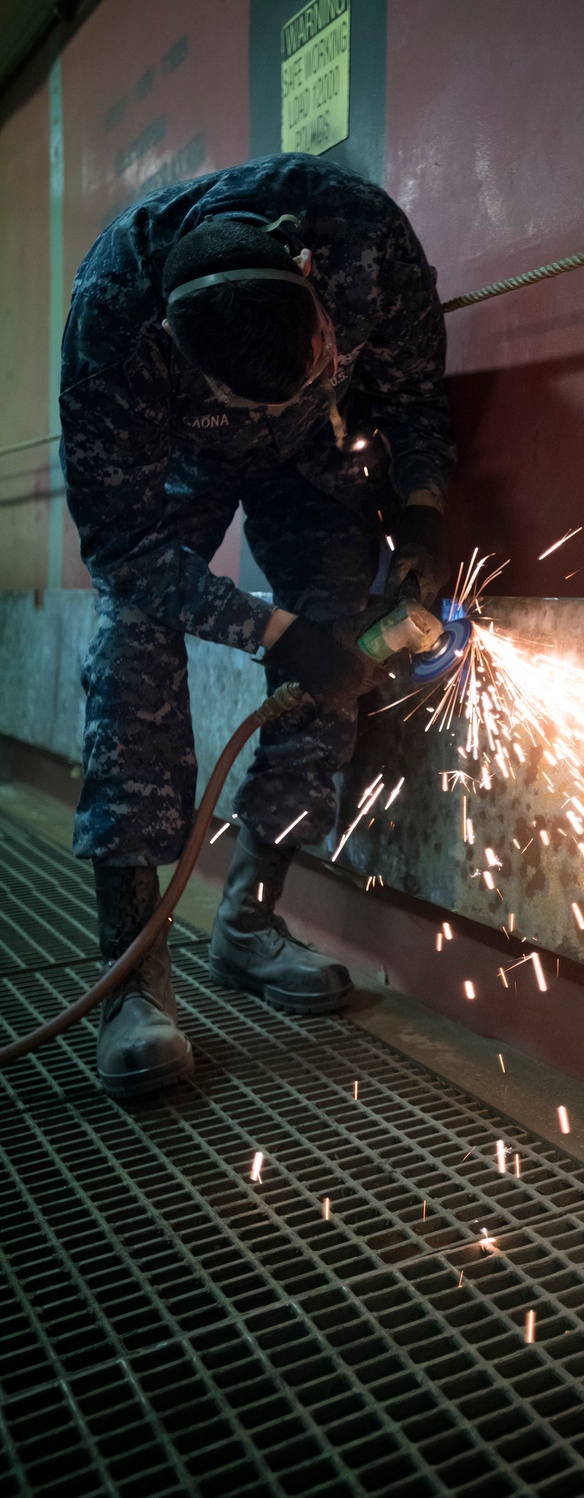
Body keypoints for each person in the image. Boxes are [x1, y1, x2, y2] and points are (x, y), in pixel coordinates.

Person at [60, 153, 456, 1100]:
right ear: (173, 347)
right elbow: (123, 548)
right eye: (257, 395)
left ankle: (246, 921)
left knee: (341, 637)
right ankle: (131, 982)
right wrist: (272, 635)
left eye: (314, 357)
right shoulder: (111, 320)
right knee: (133, 649)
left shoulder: (364, 239)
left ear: (315, 286)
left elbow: (413, 397)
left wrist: (425, 514)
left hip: (314, 455)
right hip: (179, 466)